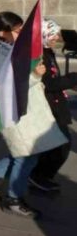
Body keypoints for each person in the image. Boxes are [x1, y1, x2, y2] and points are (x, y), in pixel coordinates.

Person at [0, 12, 45, 218]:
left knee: (24, 151)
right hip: (9, 110)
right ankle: (13, 198)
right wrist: (34, 76)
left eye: (23, 28)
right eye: (17, 30)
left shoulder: (10, 48)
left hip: (21, 108)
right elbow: (6, 87)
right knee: (27, 154)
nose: (22, 33)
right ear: (2, 32)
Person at [29, 19, 77, 192]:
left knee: (59, 145)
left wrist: (69, 83)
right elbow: (49, 83)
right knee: (61, 144)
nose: (57, 37)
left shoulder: (47, 51)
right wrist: (73, 78)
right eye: (53, 33)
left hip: (56, 103)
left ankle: (41, 176)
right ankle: (37, 176)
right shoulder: (38, 55)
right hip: (49, 106)